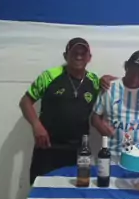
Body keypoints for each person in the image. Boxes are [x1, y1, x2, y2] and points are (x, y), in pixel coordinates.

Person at [20, 37, 107, 185]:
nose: (78, 56)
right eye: (74, 53)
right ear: (65, 55)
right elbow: (25, 102)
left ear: (89, 57)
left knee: (74, 194)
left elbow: (105, 102)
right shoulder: (49, 76)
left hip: (79, 152)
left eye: (83, 53)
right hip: (48, 148)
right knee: (42, 191)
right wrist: (36, 125)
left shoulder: (94, 81)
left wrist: (108, 80)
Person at [91, 51, 139, 161]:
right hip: (112, 156)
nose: (135, 77)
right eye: (133, 71)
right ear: (126, 66)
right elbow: (95, 117)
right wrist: (102, 128)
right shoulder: (109, 88)